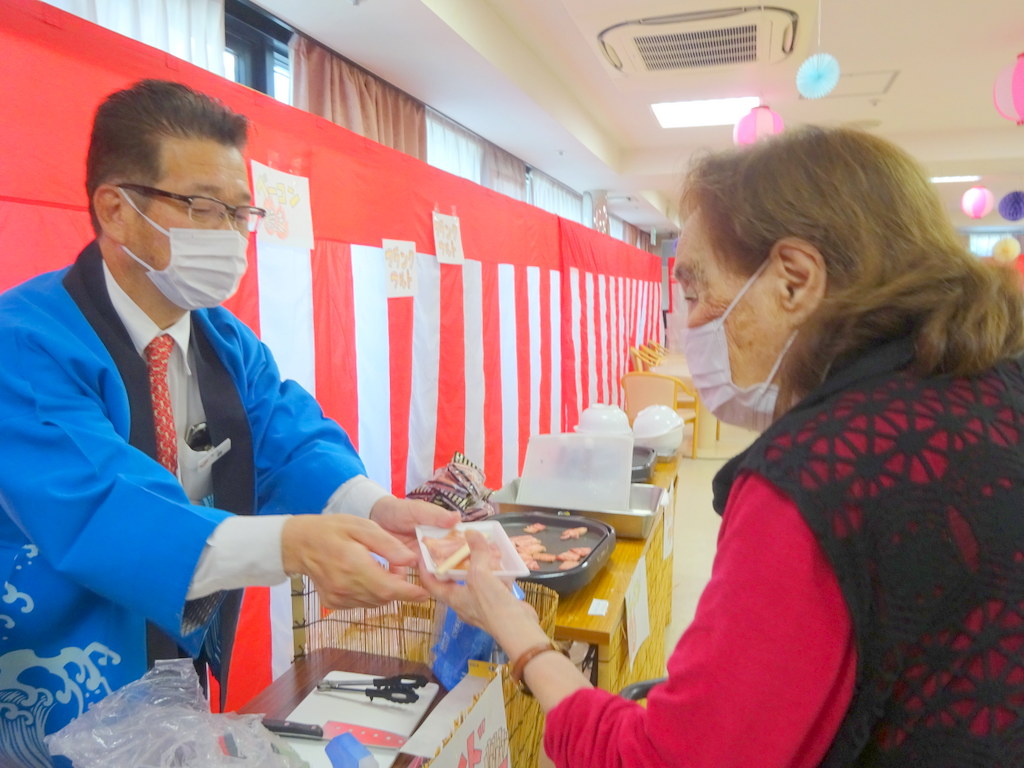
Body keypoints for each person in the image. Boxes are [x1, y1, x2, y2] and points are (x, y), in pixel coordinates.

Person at [426, 126, 1024, 767]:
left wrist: (518, 632)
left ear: (794, 281)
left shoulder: (813, 479)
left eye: (695, 291)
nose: (690, 325)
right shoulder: (999, 387)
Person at [0, 79, 456, 766]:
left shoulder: (221, 341)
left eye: (241, 213)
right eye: (204, 207)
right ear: (117, 211)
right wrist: (296, 546)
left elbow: (288, 436)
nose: (229, 236)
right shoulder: (25, 344)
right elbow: (104, 503)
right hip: (60, 672)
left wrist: (377, 509)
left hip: (176, 669)